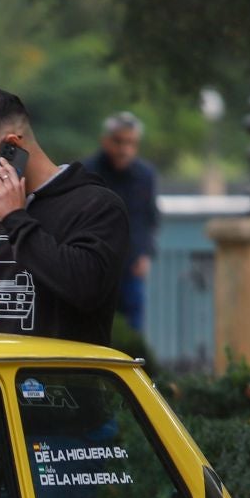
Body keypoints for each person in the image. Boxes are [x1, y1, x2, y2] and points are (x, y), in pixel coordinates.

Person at [0, 88, 128, 347]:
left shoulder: (97, 206)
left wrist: (16, 219)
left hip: (66, 384)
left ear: (13, 145)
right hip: (0, 385)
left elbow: (86, 289)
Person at [84, 111, 159, 332]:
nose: (124, 149)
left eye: (131, 143)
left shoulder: (145, 175)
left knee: (133, 328)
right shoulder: (88, 170)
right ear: (106, 141)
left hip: (131, 267)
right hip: (95, 267)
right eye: (119, 141)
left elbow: (150, 217)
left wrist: (145, 254)